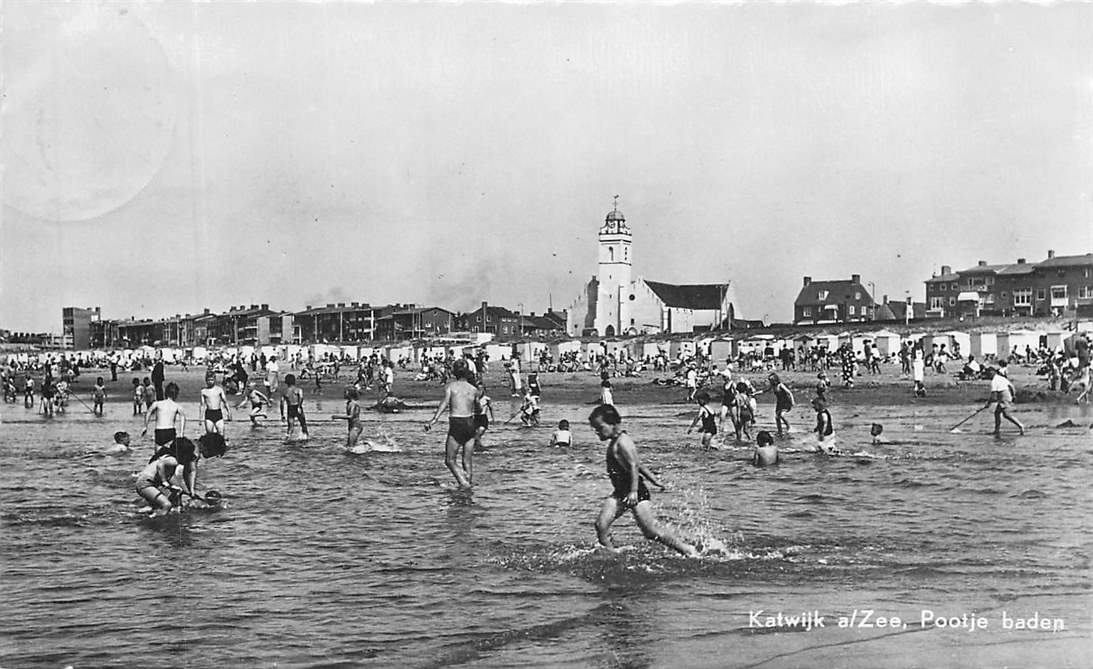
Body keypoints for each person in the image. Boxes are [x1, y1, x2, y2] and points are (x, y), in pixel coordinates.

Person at [589, 404, 698, 558]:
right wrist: (654, 481)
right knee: (601, 525)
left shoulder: (623, 442)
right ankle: (612, 553)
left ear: (612, 424)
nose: (597, 432)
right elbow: (640, 465)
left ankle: (686, 549)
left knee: (650, 531)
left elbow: (634, 465)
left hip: (636, 492)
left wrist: (634, 491)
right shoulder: (614, 442)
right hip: (621, 492)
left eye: (599, 427)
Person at [423, 358, 477, 488]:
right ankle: (468, 487)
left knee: (450, 460)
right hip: (470, 422)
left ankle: (464, 483)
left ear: (454, 372)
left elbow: (445, 403)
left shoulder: (451, 387)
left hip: (457, 422)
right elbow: (478, 407)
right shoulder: (473, 389)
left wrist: (434, 420)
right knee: (467, 461)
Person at [135, 437, 197, 517]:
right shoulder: (173, 460)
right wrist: (164, 481)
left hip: (147, 483)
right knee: (166, 505)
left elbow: (171, 477)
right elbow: (160, 465)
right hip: (145, 484)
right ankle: (153, 521)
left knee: (161, 504)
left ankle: (139, 514)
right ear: (182, 454)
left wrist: (186, 491)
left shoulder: (169, 458)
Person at [142, 382, 187, 451]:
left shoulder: (158, 404)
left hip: (159, 431)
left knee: (158, 453)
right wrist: (181, 433)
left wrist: (145, 426)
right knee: (170, 452)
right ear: (176, 395)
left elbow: (149, 412)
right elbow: (183, 417)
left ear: (165, 393)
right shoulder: (177, 406)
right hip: (170, 430)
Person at [988, 363, 1025, 435]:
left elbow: (994, 395)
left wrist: (988, 403)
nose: (988, 375)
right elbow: (1011, 386)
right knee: (997, 413)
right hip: (1007, 396)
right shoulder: (1001, 378)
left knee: (1006, 414)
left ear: (993, 372)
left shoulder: (994, 381)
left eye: (989, 373)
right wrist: (1013, 395)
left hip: (1004, 397)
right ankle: (996, 430)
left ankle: (1020, 425)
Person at [279, 373, 309, 440]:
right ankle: (306, 438)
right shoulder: (298, 389)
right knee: (303, 424)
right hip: (297, 407)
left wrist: (282, 415)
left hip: (290, 408)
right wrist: (299, 406)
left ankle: (287, 438)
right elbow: (301, 398)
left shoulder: (285, 391)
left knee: (290, 427)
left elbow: (281, 403)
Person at [473, 382, 494, 451]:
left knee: (478, 433)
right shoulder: (474, 399)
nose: (480, 391)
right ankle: (477, 447)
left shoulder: (487, 399)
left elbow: (491, 408)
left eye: (481, 389)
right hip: (475, 417)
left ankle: (479, 447)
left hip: (483, 418)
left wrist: (492, 418)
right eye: (478, 389)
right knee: (475, 435)